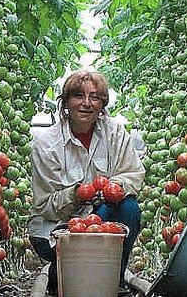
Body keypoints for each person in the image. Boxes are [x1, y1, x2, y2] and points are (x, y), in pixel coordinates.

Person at [28, 69, 145, 297]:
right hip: (56, 228)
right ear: (66, 102)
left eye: (95, 97)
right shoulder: (46, 144)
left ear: (103, 105)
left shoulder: (115, 133)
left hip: (102, 215)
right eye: (79, 96)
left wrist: (115, 188)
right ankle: (61, 273)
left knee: (129, 208)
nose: (87, 103)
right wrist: (75, 195)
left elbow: (133, 174)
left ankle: (114, 279)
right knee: (68, 263)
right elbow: (45, 206)